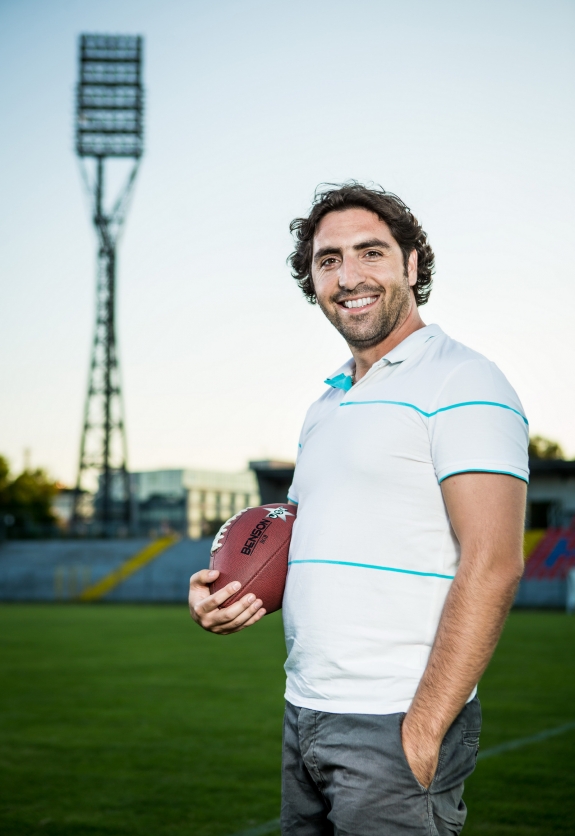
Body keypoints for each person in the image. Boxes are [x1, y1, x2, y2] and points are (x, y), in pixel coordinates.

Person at [188, 183, 528, 835]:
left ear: (412, 265)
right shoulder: (324, 405)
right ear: (312, 281)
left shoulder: (463, 378)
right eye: (328, 260)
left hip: (395, 720)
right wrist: (227, 592)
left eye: (370, 253)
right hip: (305, 710)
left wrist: (423, 729)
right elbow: (297, 545)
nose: (348, 277)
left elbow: (494, 561)